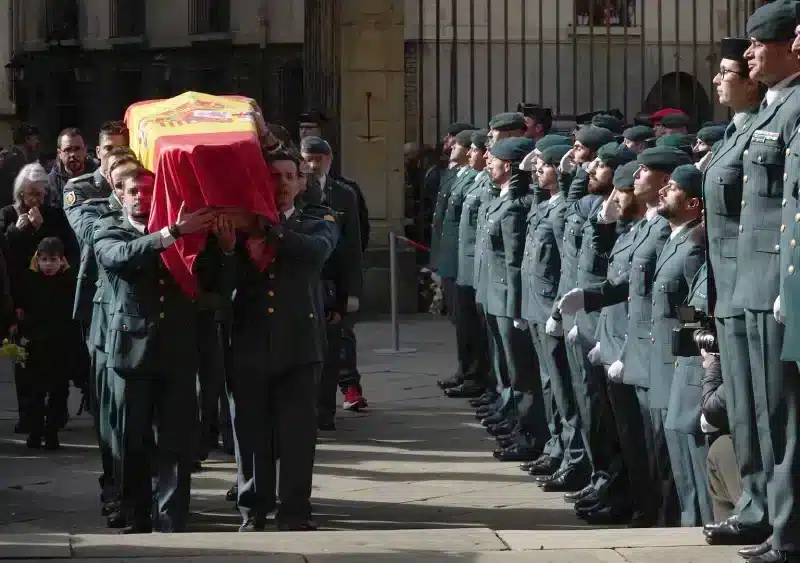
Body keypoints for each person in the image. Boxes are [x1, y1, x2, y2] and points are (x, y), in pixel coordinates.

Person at [559, 146, 692, 527]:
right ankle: (642, 507)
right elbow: (624, 283)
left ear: (666, 180)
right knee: (633, 441)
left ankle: (662, 517)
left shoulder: (673, 234)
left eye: (643, 172)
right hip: (629, 346)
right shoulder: (645, 226)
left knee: (658, 450)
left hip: (655, 351)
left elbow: (675, 299)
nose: (634, 178)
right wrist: (590, 301)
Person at [94, 165, 222, 533]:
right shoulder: (110, 227)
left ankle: (171, 515)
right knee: (131, 440)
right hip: (131, 352)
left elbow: (216, 281)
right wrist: (173, 233)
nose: (140, 197)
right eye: (132, 191)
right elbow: (120, 257)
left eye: (148, 190)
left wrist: (224, 248)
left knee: (176, 441)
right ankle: (135, 514)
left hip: (178, 349)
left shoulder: (190, 233)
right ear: (120, 194)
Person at [701, 35, 771, 552]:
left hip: (753, 285)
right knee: (744, 411)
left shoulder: (763, 130)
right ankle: (755, 505)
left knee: (761, 411)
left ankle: (767, 510)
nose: (721, 78)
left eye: (729, 71)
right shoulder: (735, 132)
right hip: (729, 288)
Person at [14, 237, 80, 450]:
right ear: (37, 261)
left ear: (62, 261)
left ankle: (51, 433)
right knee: (36, 393)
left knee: (59, 392)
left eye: (53, 259)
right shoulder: (30, 280)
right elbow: (22, 310)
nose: (48, 264)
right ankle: (35, 432)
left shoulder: (69, 281)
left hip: (61, 346)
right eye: (43, 260)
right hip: (36, 345)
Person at [48, 128, 96, 209]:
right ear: (59, 153)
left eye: (77, 149)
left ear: (85, 150)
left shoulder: (99, 177)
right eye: (68, 150)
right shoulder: (51, 183)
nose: (73, 154)